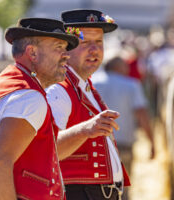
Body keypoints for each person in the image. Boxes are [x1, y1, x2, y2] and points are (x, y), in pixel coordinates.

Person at [0, 18, 79, 200]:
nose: (66, 55)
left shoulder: (9, 82)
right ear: (33, 53)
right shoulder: (29, 97)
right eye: (58, 47)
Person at [46, 9, 130, 200]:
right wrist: (86, 130)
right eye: (85, 42)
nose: (94, 50)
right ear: (66, 48)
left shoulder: (84, 85)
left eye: (99, 42)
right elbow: (47, 149)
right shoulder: (58, 89)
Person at [92, 56, 155, 177]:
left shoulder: (92, 83)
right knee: (123, 186)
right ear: (119, 67)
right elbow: (142, 114)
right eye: (125, 66)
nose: (128, 69)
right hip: (124, 144)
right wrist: (152, 142)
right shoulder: (131, 85)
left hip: (97, 146)